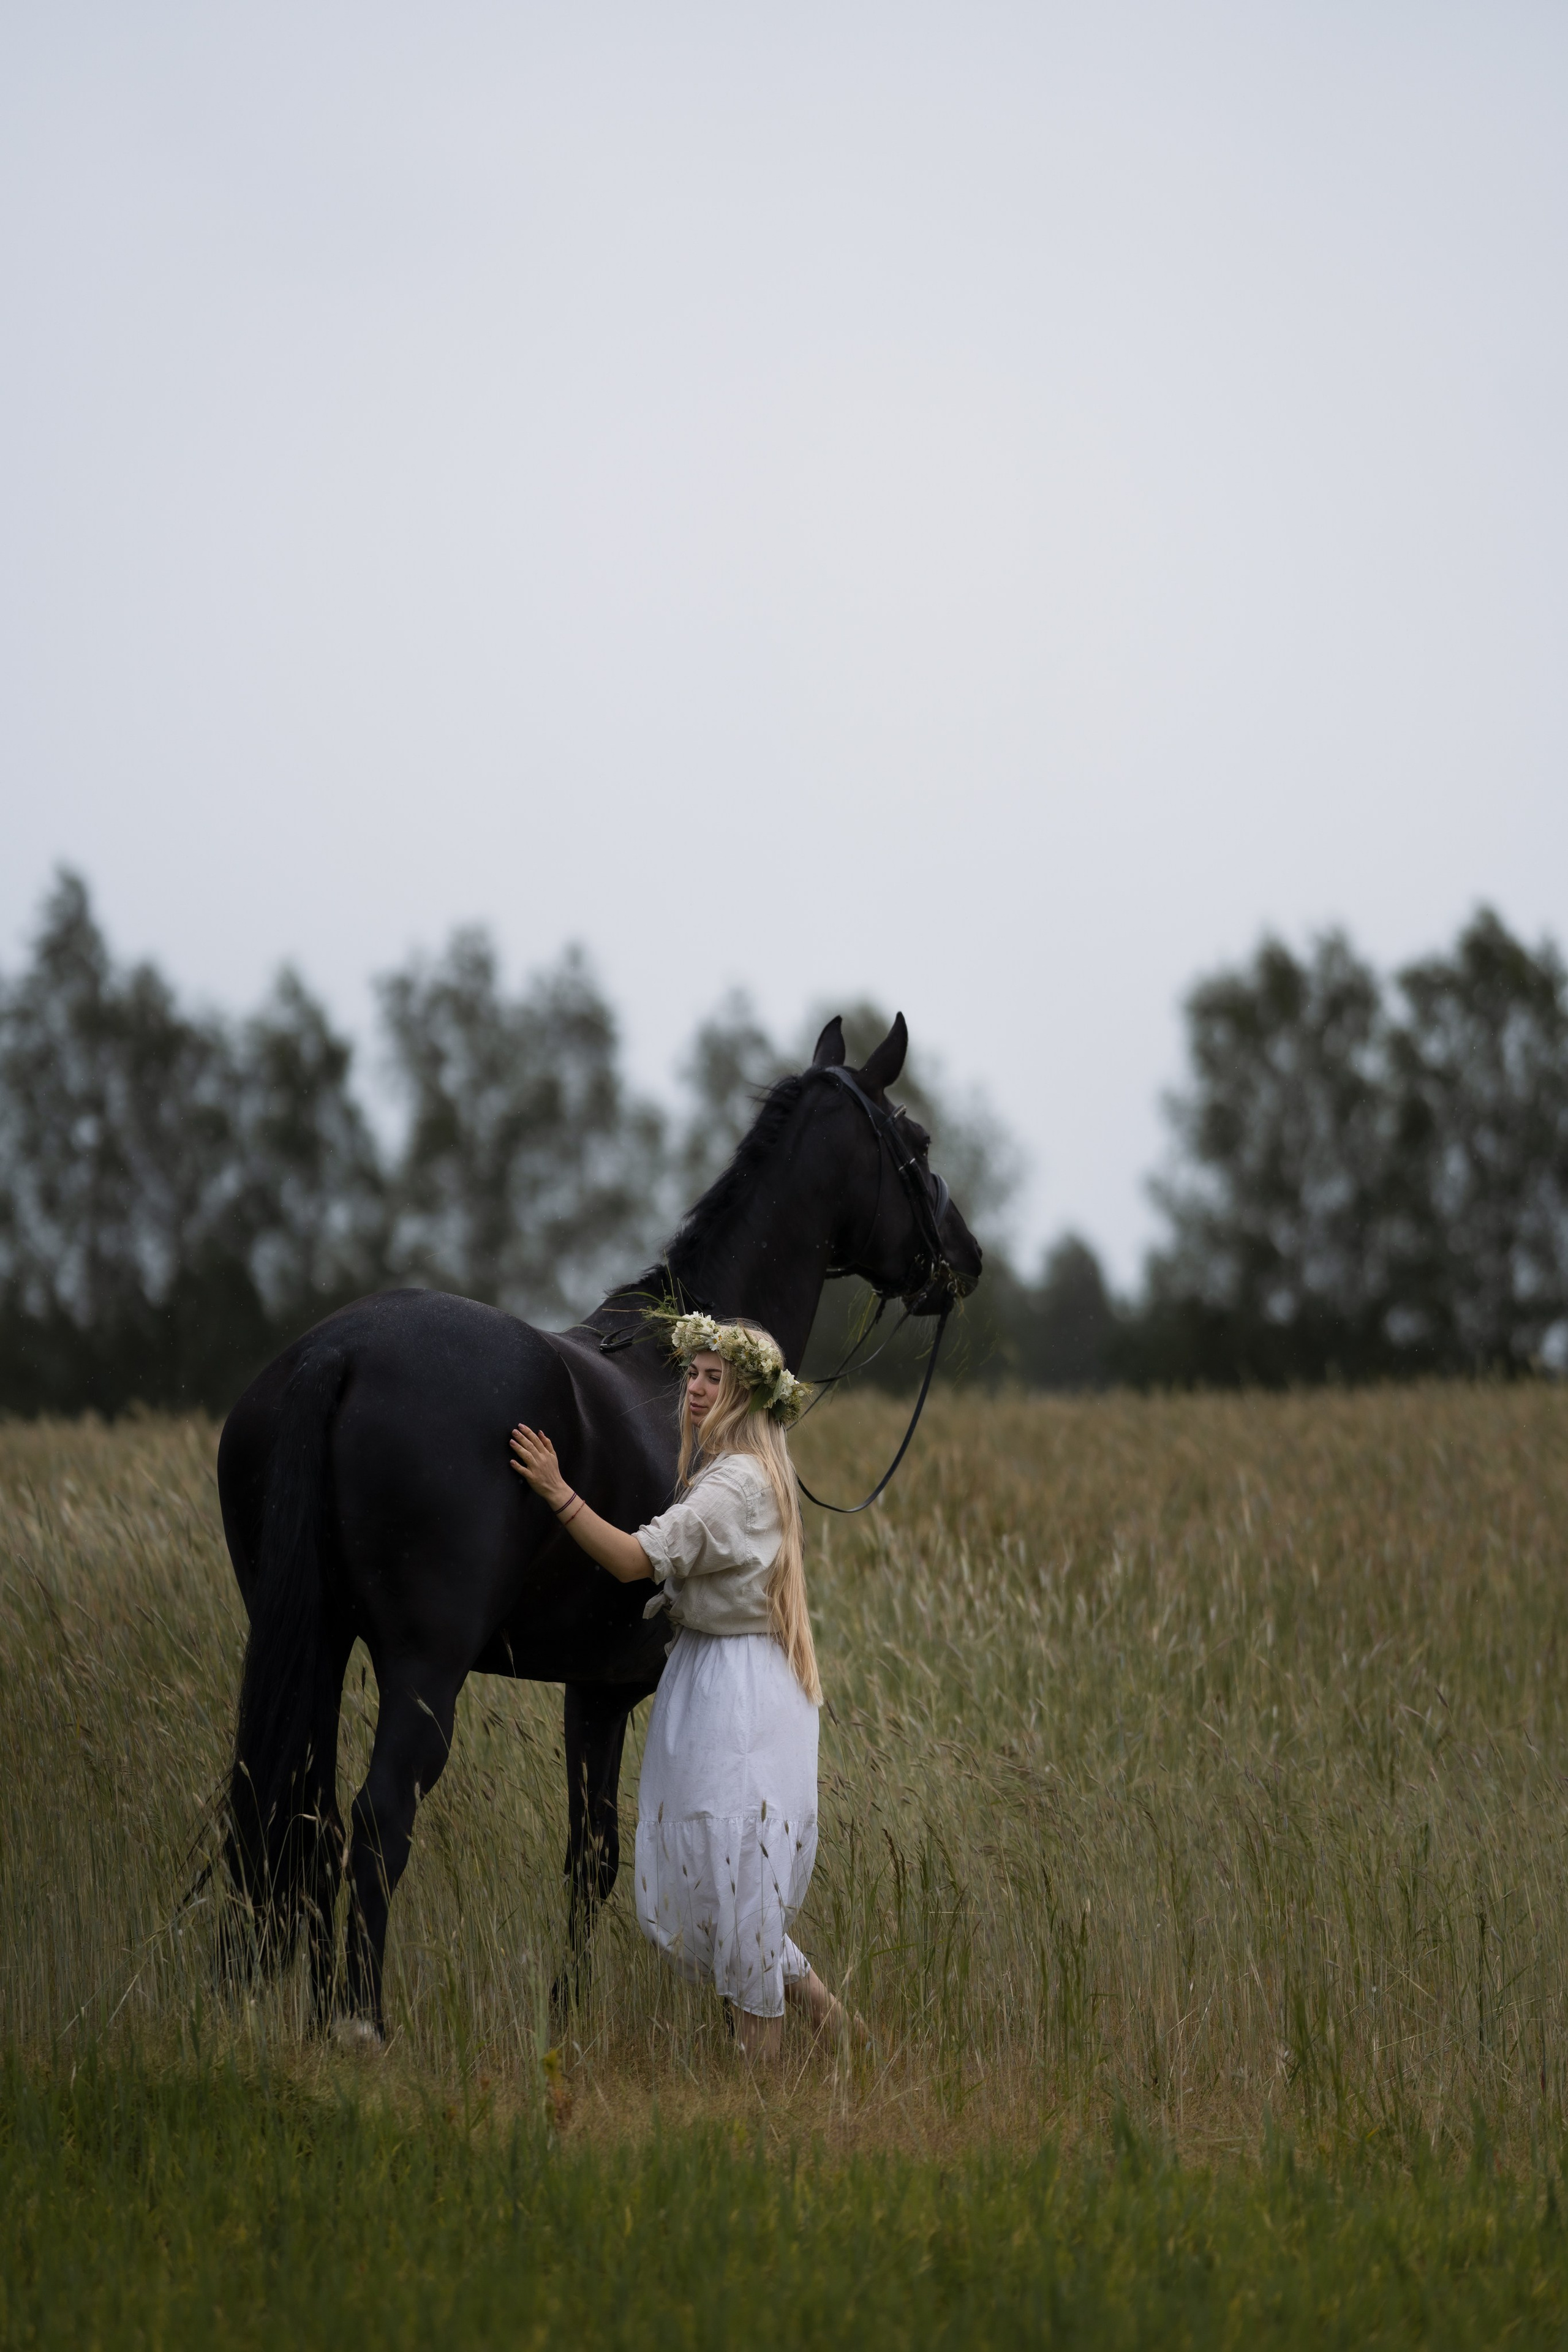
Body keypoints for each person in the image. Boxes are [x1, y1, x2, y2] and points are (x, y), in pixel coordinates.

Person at [510, 1313, 850, 2062]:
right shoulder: (739, 1470)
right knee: (725, 1888)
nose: (694, 1389)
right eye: (691, 1374)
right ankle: (852, 2044)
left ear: (745, 1395)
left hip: (739, 1691)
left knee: (739, 1886)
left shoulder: (737, 1484)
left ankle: (757, 2106)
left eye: (713, 1378)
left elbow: (635, 1561)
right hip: (714, 1675)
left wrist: (557, 1491)